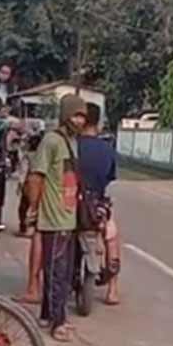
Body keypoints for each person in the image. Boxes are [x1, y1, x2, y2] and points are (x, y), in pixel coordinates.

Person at [22, 94, 88, 342]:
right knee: (56, 272)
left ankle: (48, 315)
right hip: (53, 218)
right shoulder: (51, 141)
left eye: (82, 116)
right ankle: (57, 323)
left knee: (64, 271)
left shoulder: (73, 142)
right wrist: (34, 207)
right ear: (65, 115)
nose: (79, 121)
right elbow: (36, 177)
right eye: (75, 115)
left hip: (69, 217)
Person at [78, 103, 121, 305]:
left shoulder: (71, 145)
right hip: (97, 206)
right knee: (111, 236)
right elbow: (110, 177)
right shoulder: (107, 149)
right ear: (98, 122)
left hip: (72, 203)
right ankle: (112, 290)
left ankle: (35, 284)